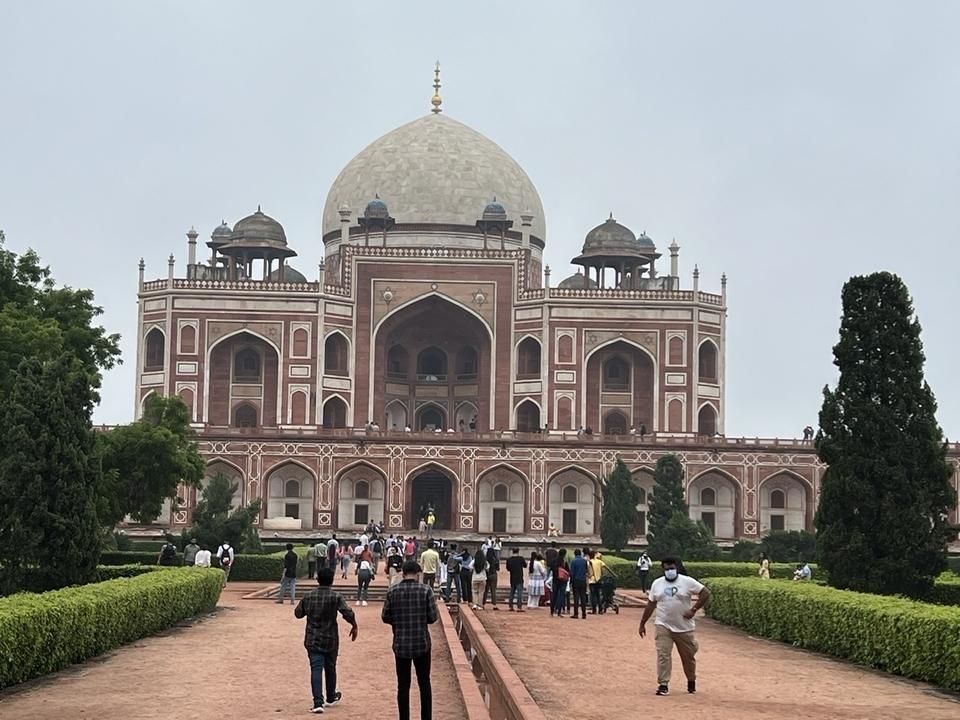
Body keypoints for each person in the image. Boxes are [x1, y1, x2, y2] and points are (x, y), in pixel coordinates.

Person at [638, 556, 711, 696]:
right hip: (663, 624)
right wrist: (642, 623)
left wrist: (694, 609)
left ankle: (691, 680)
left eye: (672, 568)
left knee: (688, 656)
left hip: (684, 627)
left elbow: (705, 593)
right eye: (667, 569)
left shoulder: (687, 582)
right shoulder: (657, 584)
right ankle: (663, 684)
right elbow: (651, 604)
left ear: (677, 567)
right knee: (663, 654)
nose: (669, 571)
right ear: (663, 569)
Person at [295, 567, 358, 714]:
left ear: (318, 580)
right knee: (330, 667)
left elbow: (298, 614)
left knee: (316, 668)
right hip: (331, 637)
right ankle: (331, 695)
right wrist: (354, 625)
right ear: (331, 580)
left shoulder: (308, 596)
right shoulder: (335, 596)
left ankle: (318, 702)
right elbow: (347, 613)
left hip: (312, 637)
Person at [381, 561, 439, 720]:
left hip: (401, 643)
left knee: (403, 686)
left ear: (403, 573)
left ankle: (404, 718)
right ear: (418, 573)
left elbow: (385, 616)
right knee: (424, 683)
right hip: (421, 642)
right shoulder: (426, 590)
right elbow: (433, 617)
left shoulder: (393, 591)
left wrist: (398, 622)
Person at [568, 548, 589, 619]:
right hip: (583, 580)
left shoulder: (573, 561)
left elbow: (572, 573)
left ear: (575, 554)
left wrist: (571, 582)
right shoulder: (584, 561)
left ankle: (576, 613)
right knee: (583, 597)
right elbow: (586, 571)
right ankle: (584, 614)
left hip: (576, 580)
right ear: (580, 554)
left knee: (576, 598)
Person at [548, 548, 569, 617]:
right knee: (561, 596)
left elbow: (551, 568)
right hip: (563, 580)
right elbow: (568, 571)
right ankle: (559, 612)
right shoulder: (564, 562)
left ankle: (551, 612)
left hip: (555, 580)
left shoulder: (554, 560)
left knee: (554, 596)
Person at [505, 547, 526, 612]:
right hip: (519, 577)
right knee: (519, 593)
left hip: (512, 577)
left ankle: (510, 606)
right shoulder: (520, 559)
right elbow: (525, 565)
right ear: (518, 551)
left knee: (512, 592)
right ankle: (519, 607)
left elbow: (508, 568)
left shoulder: (509, 560)